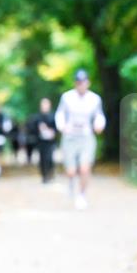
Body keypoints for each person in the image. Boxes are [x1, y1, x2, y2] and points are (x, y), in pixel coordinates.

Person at [55, 69, 105, 209]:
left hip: (86, 136)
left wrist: (99, 125)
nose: (81, 85)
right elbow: (60, 114)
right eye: (78, 83)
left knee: (84, 168)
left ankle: (82, 195)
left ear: (87, 83)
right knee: (71, 171)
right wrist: (62, 127)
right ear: (75, 83)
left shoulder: (94, 99)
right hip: (70, 136)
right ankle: (71, 184)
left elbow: (99, 116)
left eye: (83, 82)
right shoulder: (67, 97)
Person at [32, 97, 58, 183]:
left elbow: (57, 128)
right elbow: (32, 129)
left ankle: (50, 173)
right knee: (42, 158)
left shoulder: (53, 116)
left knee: (49, 158)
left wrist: (52, 132)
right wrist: (38, 130)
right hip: (41, 141)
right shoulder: (37, 117)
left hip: (50, 141)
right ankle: (44, 175)